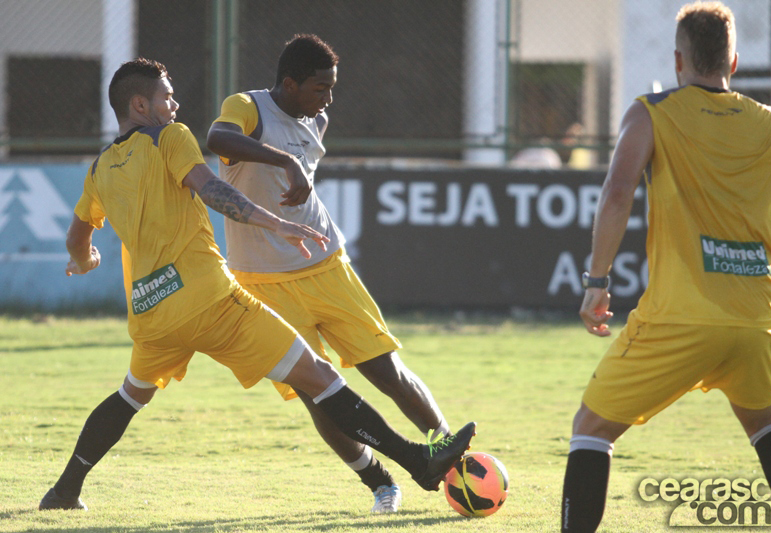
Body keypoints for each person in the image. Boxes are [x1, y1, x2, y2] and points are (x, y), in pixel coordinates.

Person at [38, 58, 475, 512]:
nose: (176, 103)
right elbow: (211, 190)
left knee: (130, 396)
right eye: (167, 96)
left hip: (151, 317)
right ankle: (415, 461)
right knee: (321, 378)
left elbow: (78, 234)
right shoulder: (169, 136)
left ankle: (64, 490)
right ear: (140, 103)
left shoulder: (100, 167)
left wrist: (83, 259)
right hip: (212, 302)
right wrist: (276, 224)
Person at [561, 2, 771, 531]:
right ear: (733, 63)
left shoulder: (652, 112)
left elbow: (618, 191)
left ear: (677, 60)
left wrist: (597, 282)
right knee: (767, 425)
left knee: (591, 428)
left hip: (681, 317)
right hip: (757, 321)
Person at [206, 34, 452, 513]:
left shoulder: (316, 118)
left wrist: (296, 162)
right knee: (320, 394)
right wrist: (285, 160)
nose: (328, 99)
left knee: (385, 367)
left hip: (326, 264)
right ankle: (381, 484)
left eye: (332, 88)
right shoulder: (247, 107)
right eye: (320, 88)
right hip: (262, 280)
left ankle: (445, 448)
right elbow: (216, 140)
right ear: (290, 83)